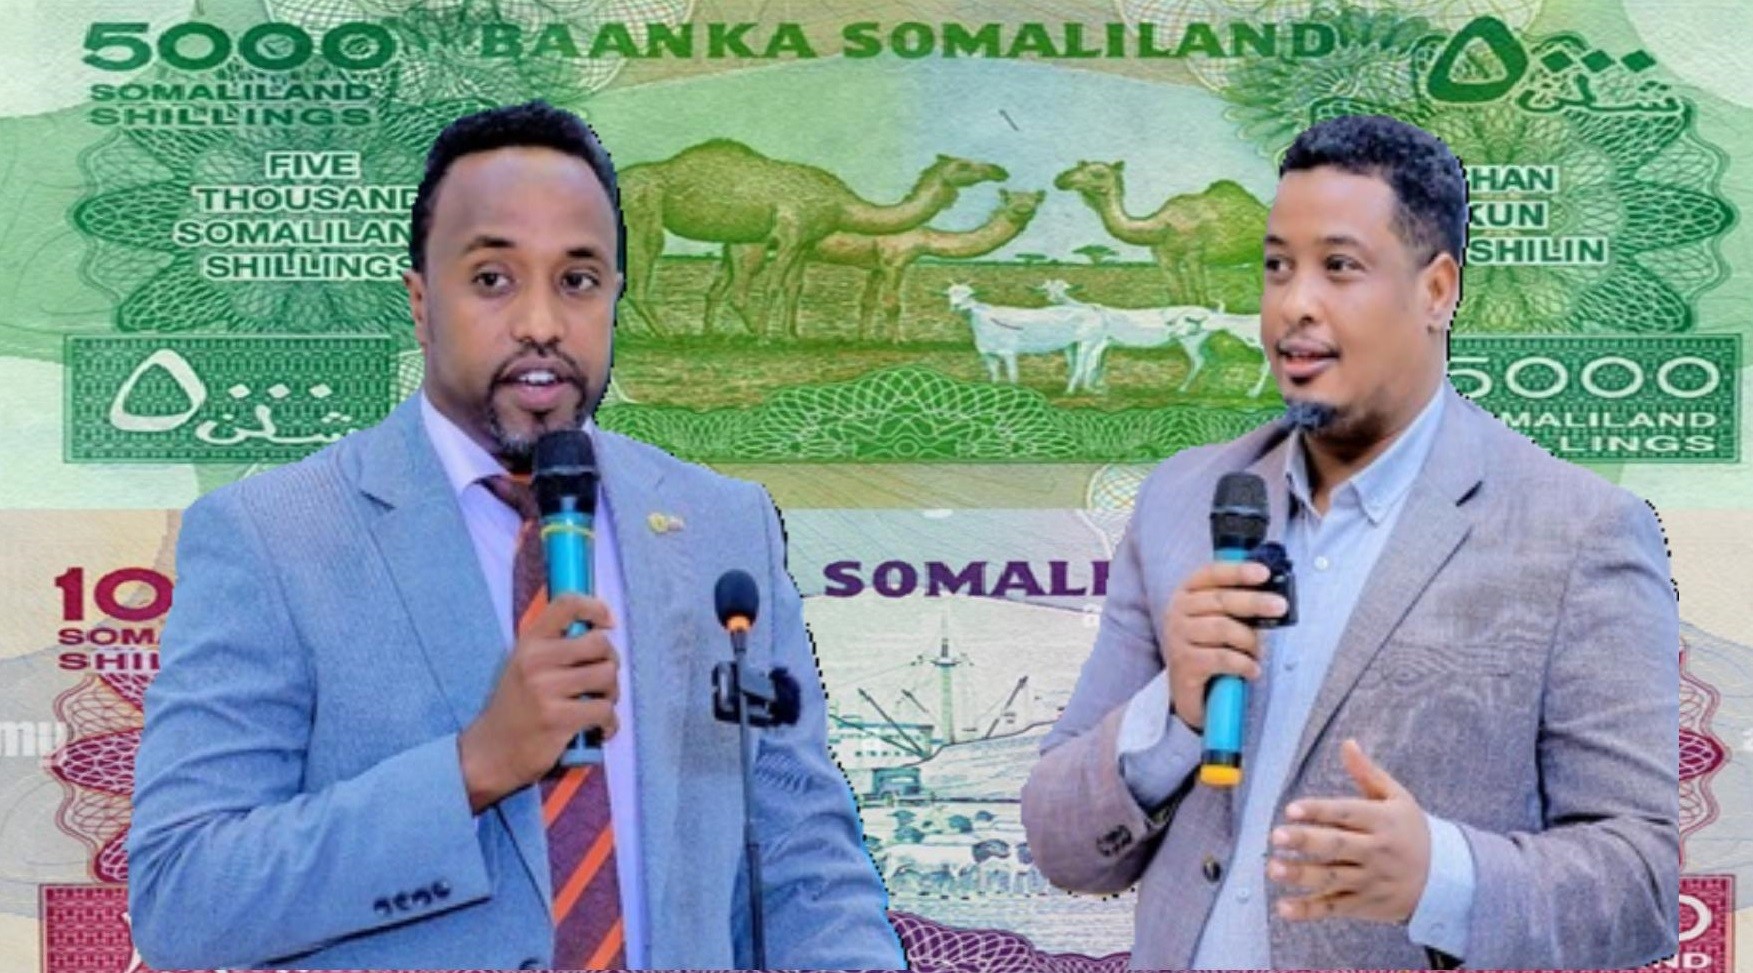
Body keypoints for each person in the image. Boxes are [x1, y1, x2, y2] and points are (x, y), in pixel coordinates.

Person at [128, 101, 905, 971]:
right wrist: (472, 767)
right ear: (421, 303)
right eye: (493, 278)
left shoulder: (724, 525)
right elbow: (182, 897)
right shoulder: (272, 535)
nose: (541, 321)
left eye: (577, 280)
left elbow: (805, 864)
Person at [1020, 114, 1678, 969]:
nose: (1294, 304)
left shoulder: (1579, 530)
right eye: (1275, 267)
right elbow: (1061, 846)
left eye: (1338, 266)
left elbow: (1641, 884)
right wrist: (1171, 713)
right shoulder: (1184, 499)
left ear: (1436, 290)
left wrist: (1442, 876)